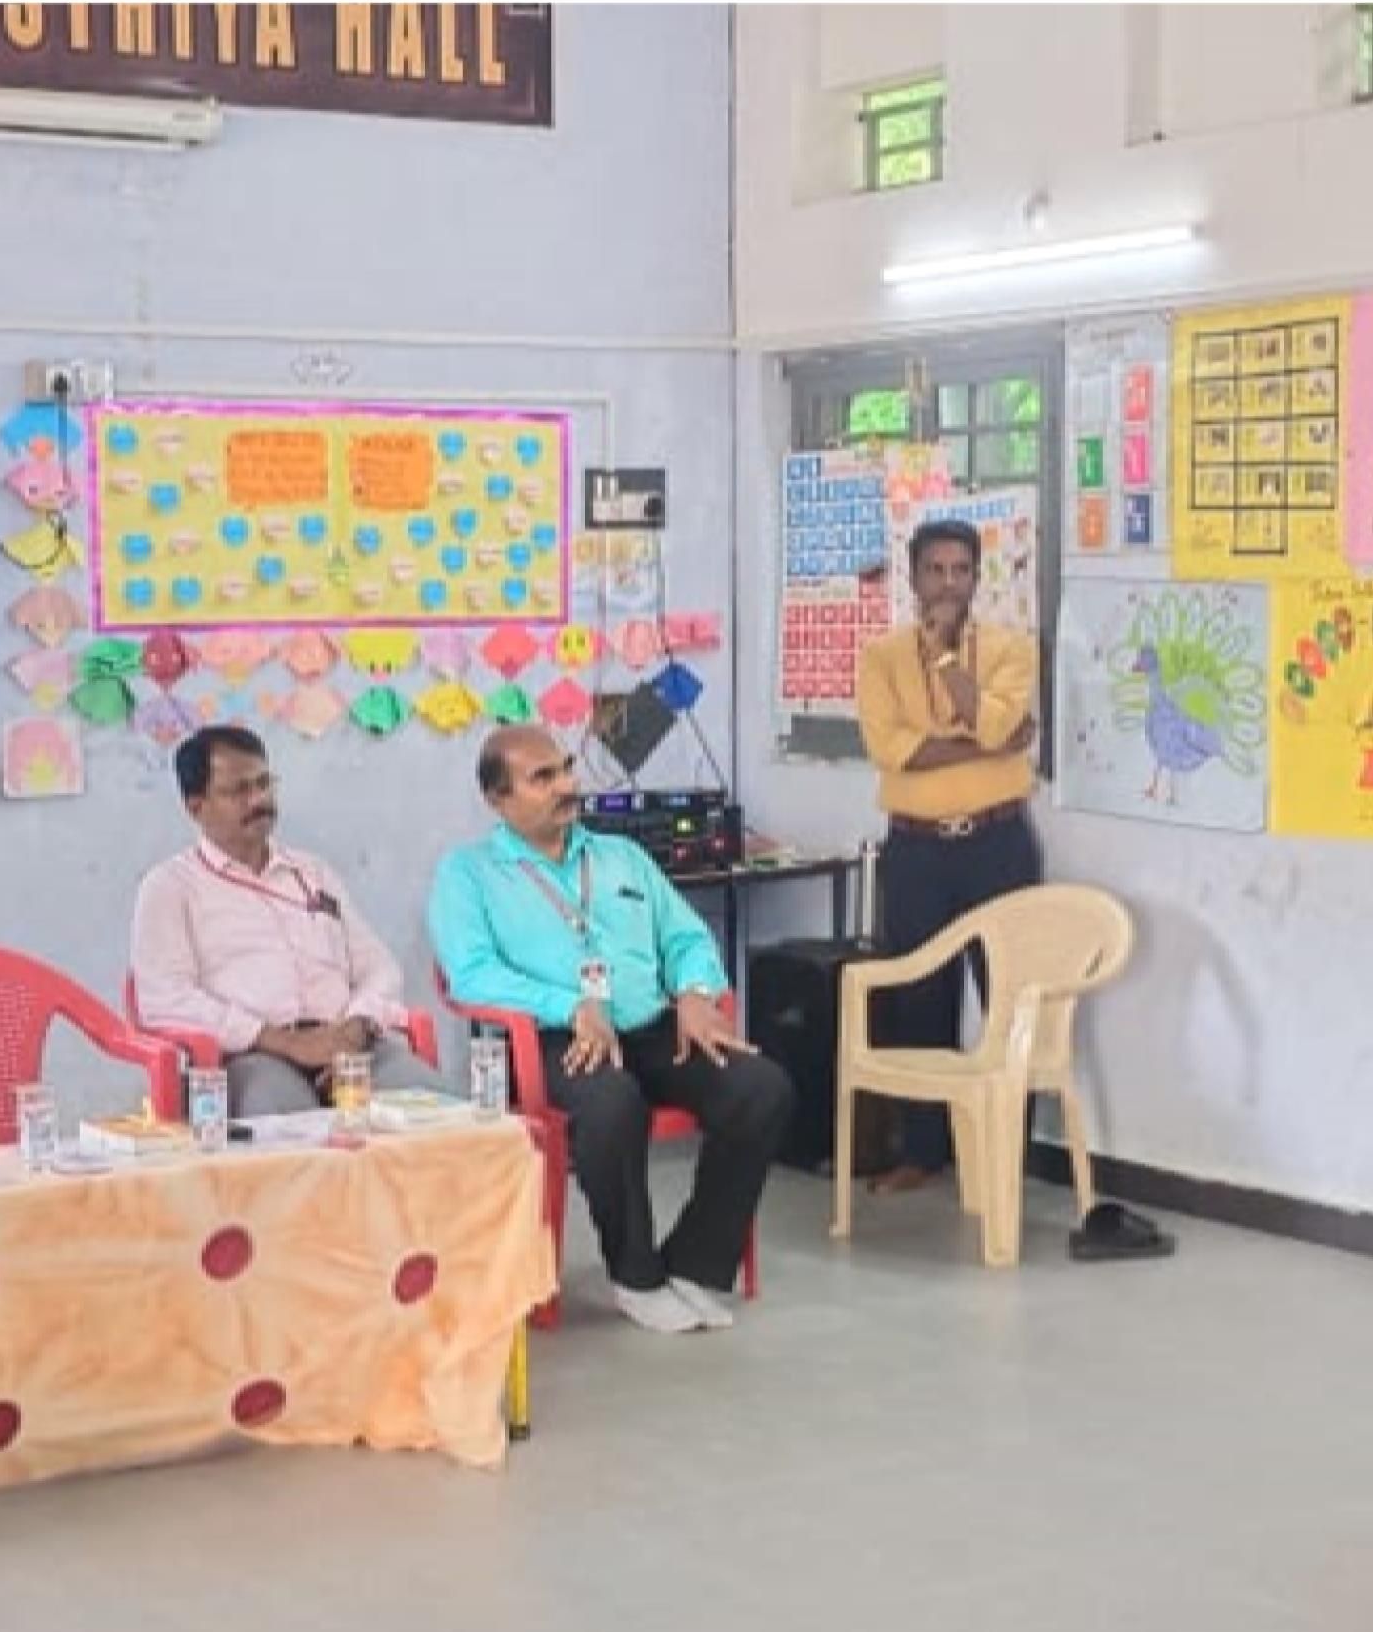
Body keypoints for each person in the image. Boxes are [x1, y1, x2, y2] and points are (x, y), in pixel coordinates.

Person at [429, 724, 793, 1335]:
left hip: (651, 1025)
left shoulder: (620, 856)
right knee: (610, 1104)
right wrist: (567, 1006)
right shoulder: (467, 874)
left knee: (761, 1087)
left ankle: (698, 1263)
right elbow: (470, 976)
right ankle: (637, 1275)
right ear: (498, 798)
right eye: (542, 778)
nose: (566, 785)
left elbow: (684, 937)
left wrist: (698, 994)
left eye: (566, 768)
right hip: (553, 1041)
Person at [848, 517, 1045, 1196]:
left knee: (1009, 995)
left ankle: (1004, 1150)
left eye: (961, 570)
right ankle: (921, 1151)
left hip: (999, 845)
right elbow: (892, 748)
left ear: (978, 577)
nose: (949, 583)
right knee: (917, 997)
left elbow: (995, 721)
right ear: (913, 576)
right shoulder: (879, 658)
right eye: (936, 570)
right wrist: (992, 744)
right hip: (917, 848)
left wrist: (945, 662)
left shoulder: (1011, 649)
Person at [130, 725, 436, 1115]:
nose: (258, 800)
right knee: (290, 1134)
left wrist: (354, 1031)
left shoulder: (312, 873)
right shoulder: (170, 888)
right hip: (253, 1058)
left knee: (446, 1120)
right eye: (237, 791)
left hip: (350, 1047)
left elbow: (378, 967)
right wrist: (287, 1043)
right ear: (196, 806)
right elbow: (164, 998)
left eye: (263, 784)